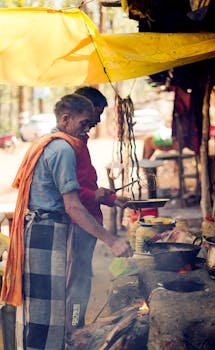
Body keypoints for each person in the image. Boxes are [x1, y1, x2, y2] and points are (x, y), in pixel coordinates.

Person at [1, 93, 133, 350]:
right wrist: (111, 240)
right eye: (84, 123)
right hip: (46, 232)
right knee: (47, 310)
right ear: (65, 119)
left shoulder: (49, 142)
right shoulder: (62, 149)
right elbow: (73, 206)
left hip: (39, 230)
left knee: (42, 308)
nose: (88, 130)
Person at [66, 86, 129, 328]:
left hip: (89, 221)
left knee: (81, 278)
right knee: (77, 281)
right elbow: (69, 194)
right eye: (97, 113)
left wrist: (111, 199)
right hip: (78, 222)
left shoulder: (81, 141)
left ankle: (76, 327)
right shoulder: (67, 146)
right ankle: (74, 330)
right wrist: (95, 195)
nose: (98, 120)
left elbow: (85, 184)